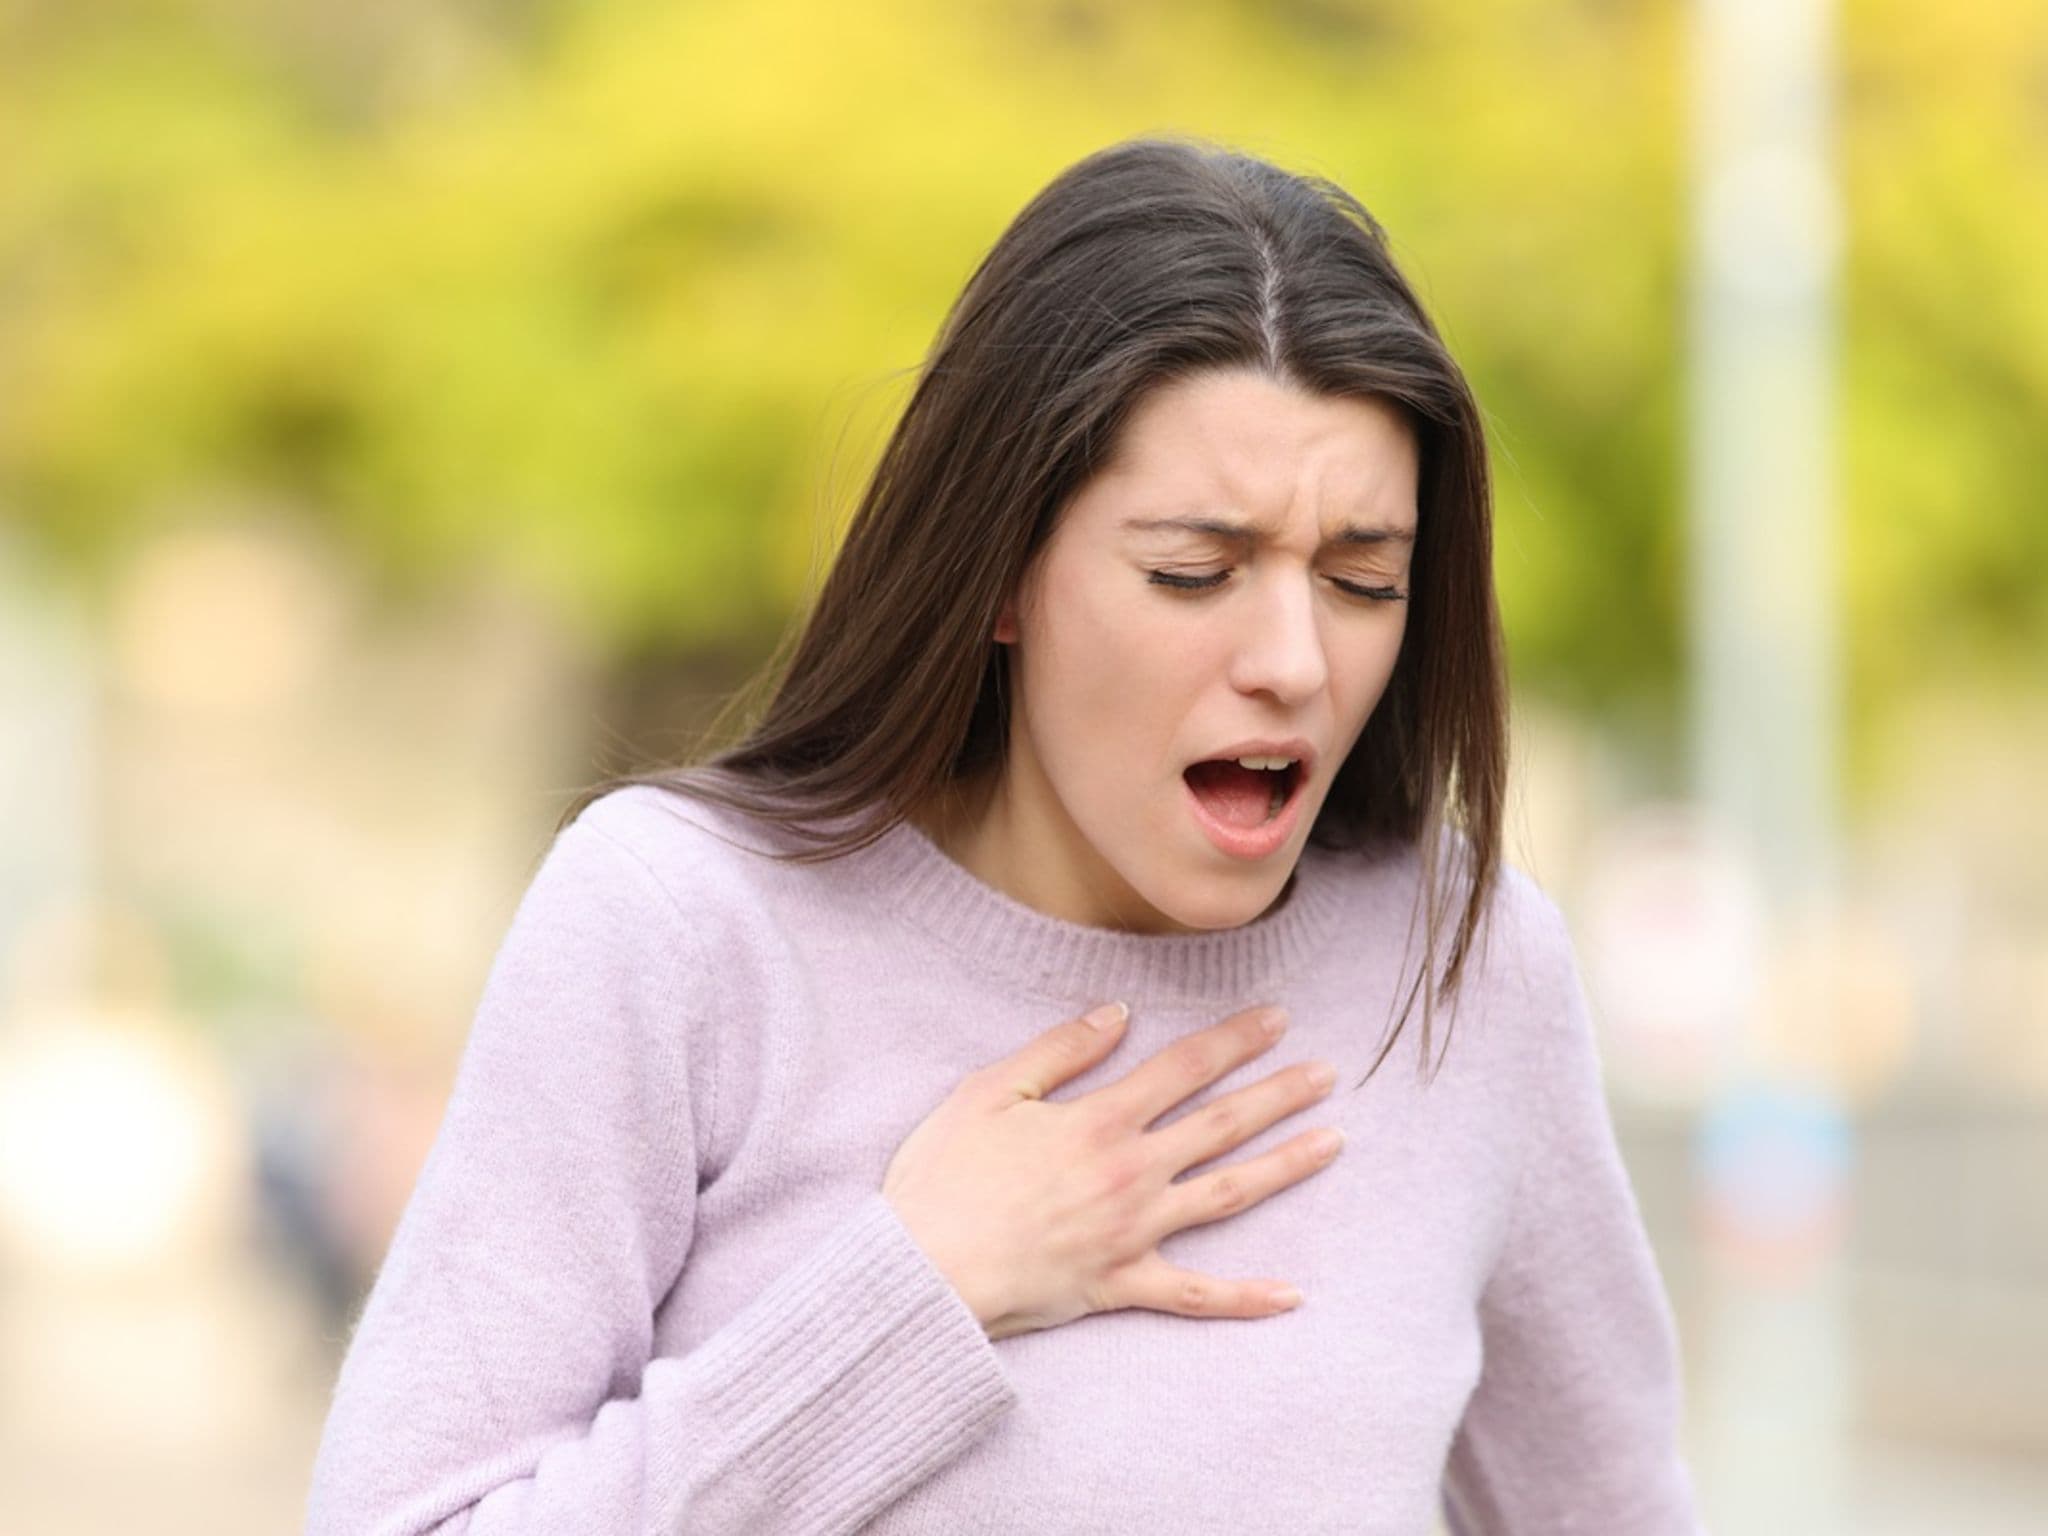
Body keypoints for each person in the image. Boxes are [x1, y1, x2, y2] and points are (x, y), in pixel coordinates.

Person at [303, 135, 1705, 1534]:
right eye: (1192, 572)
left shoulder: (1468, 970)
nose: (1293, 659)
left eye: (1362, 579)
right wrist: (915, 1295)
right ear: (1001, 574)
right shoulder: (680, 924)